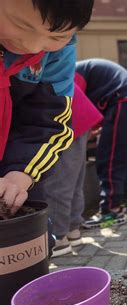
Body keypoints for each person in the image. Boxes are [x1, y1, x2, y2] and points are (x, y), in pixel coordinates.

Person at [0, 0, 93, 253]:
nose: (31, 46)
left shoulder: (59, 53)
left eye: (57, 35)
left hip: (20, 162)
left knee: (32, 243)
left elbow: (49, 121)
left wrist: (20, 175)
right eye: (21, 25)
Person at [75, 59, 127, 228]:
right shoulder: (87, 68)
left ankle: (111, 212)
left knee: (110, 158)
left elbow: (77, 103)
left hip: (122, 101)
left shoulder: (73, 72)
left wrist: (85, 132)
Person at [47, 80, 103, 257]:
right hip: (76, 115)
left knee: (58, 183)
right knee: (74, 180)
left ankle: (58, 239)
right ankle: (73, 231)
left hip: (63, 118)